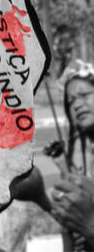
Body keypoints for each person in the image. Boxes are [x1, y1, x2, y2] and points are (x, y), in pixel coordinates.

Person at [47, 60, 94, 250]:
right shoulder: (82, 151)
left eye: (83, 95)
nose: (76, 105)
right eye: (71, 100)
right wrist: (63, 166)